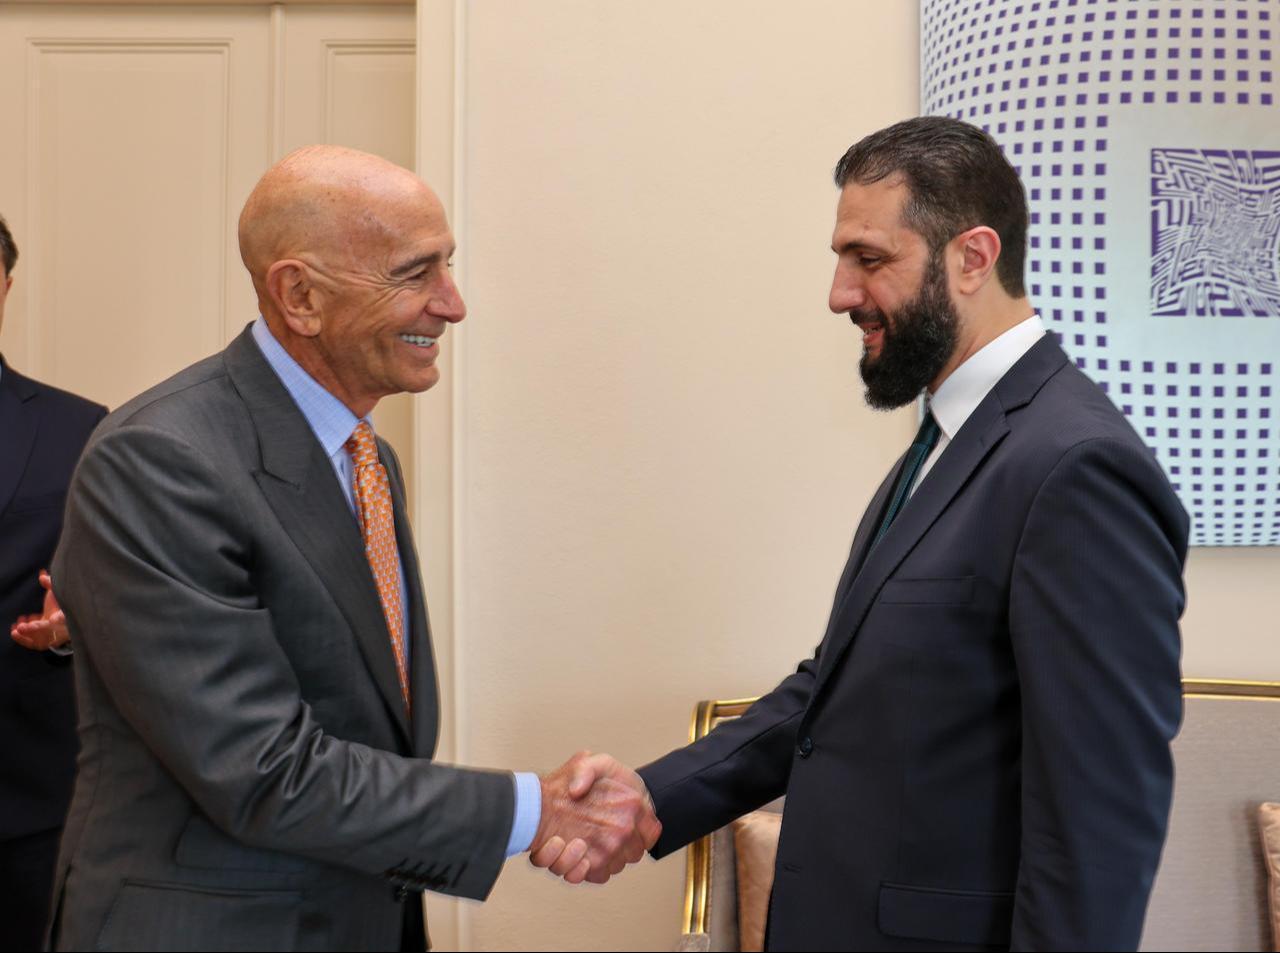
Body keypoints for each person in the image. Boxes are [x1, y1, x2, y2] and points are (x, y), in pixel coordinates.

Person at [556, 116, 1189, 950]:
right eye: (841, 258)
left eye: (871, 258)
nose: (840, 293)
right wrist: (651, 795)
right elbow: (840, 691)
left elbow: (1099, 819)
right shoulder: (949, 438)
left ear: (972, 256)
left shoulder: (1076, 464)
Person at [47, 146, 658, 952]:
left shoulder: (364, 456)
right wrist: (535, 808)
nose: (453, 304)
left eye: (449, 265)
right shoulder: (161, 459)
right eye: (416, 273)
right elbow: (262, 769)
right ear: (299, 295)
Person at [0, 213, 107, 953]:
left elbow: (120, 599)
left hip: (27, 807)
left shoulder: (82, 429)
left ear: (4, 287)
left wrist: (73, 630)